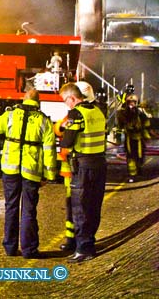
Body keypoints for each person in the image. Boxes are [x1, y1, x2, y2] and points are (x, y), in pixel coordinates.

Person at [0, 88, 57, 258]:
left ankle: (10, 248)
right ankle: (29, 250)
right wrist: (49, 175)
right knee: (29, 210)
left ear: (24, 99)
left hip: (10, 169)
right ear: (38, 102)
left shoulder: (11, 115)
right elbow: (49, 151)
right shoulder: (44, 121)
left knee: (11, 206)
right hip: (31, 172)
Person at [59, 82, 107, 263]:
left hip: (83, 166)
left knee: (80, 208)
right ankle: (90, 243)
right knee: (94, 206)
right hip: (100, 164)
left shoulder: (76, 114)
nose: (66, 105)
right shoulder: (98, 111)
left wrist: (63, 130)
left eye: (66, 101)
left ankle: (83, 249)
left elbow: (67, 142)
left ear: (73, 98)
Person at [53, 80, 96, 252]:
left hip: (77, 167)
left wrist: (64, 129)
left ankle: (77, 241)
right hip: (76, 167)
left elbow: (65, 137)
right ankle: (75, 238)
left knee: (77, 206)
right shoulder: (90, 113)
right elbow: (58, 127)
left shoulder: (78, 114)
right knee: (76, 205)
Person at [116, 93, 152, 182]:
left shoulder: (140, 113)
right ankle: (132, 174)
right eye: (129, 102)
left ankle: (139, 169)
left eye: (133, 102)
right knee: (131, 156)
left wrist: (146, 134)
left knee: (140, 156)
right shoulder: (123, 113)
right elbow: (120, 126)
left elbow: (146, 123)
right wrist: (118, 137)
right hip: (129, 139)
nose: (131, 104)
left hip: (139, 138)